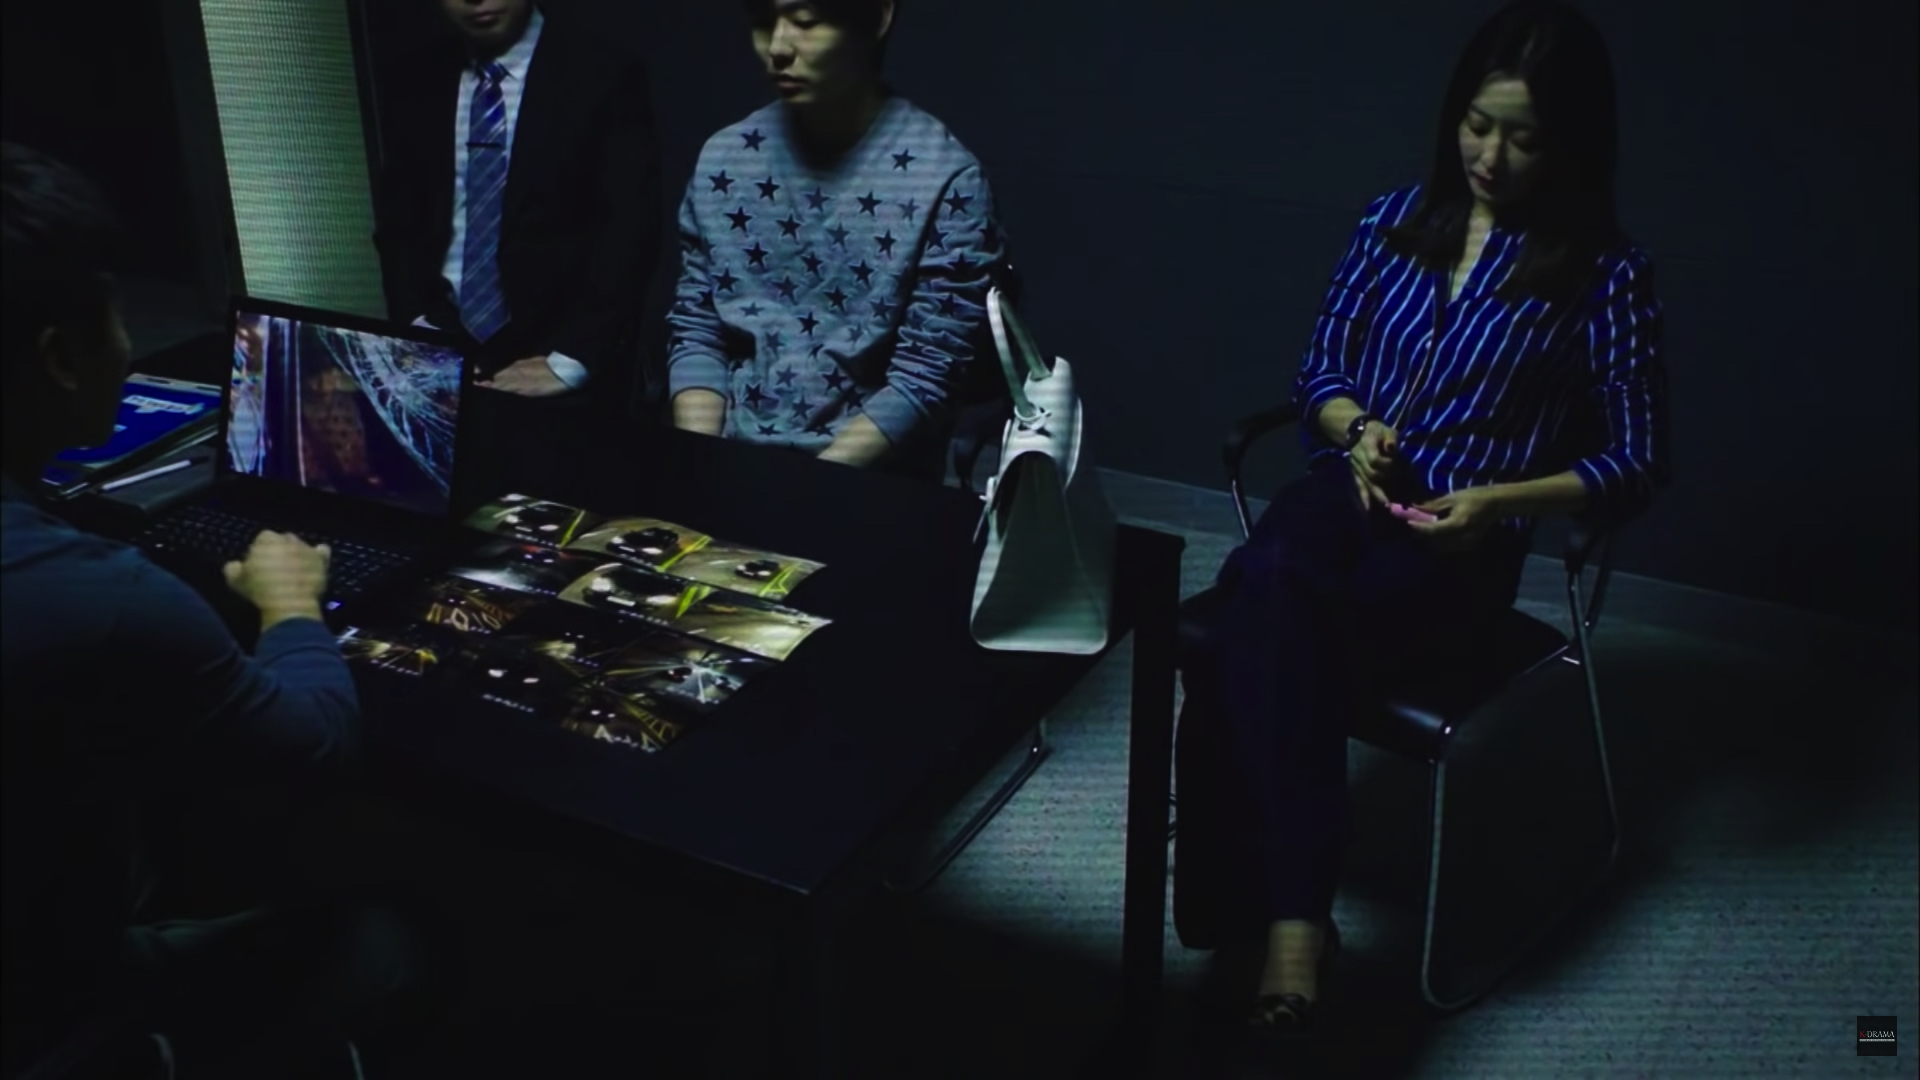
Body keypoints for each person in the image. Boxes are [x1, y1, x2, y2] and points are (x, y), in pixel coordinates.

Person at [1176, 0, 1669, 1039]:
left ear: (1571, 144)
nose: (1490, 155)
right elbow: (1320, 369)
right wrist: (1355, 430)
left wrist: (1501, 500)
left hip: (1459, 541)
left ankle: (1259, 915)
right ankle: (1296, 920)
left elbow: (1637, 459)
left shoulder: (1607, 276)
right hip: (1345, 496)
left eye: (1524, 138)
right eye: (1477, 125)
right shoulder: (1391, 219)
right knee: (1273, 587)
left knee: (1237, 632)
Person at [1, 144, 434, 1079]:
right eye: (117, 313)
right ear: (62, 356)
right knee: (379, 942)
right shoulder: (98, 597)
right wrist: (290, 606)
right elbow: (313, 742)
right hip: (48, 1018)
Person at [666, 0, 1008, 477]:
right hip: (728, 461)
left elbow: (926, 375)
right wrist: (701, 467)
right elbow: (698, 330)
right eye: (763, 23)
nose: (778, 47)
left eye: (806, 21)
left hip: (867, 480)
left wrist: (811, 490)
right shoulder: (725, 157)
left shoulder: (946, 178)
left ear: (878, 17)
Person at [370, 0, 661, 456]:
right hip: (440, 356)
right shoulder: (415, 78)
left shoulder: (603, 72)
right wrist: (421, 333)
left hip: (560, 362)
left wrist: (572, 359)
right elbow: (399, 223)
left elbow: (630, 227)